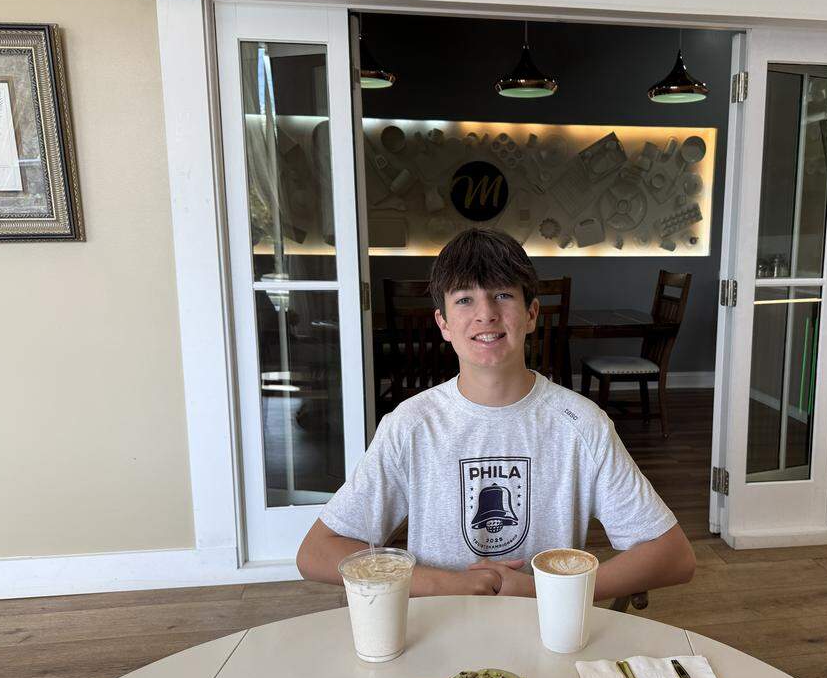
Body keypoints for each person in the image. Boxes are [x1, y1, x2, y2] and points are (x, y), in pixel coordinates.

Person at [296, 227, 695, 598]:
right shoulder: (410, 425)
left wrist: (544, 589)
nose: (485, 313)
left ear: (532, 314)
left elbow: (674, 556)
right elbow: (316, 553)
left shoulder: (581, 424)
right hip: (437, 632)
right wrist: (445, 583)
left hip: (545, 633)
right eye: (464, 299)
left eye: (502, 295)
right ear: (444, 323)